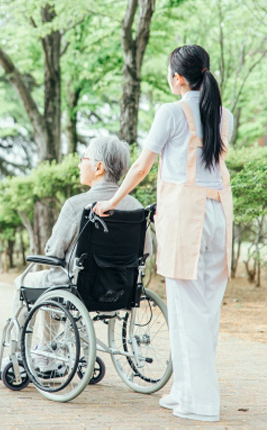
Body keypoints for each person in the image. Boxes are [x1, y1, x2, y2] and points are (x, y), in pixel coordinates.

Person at [93, 44, 233, 422]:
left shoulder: (170, 112)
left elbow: (140, 167)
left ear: (178, 78)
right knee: (204, 308)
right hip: (219, 214)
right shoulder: (225, 115)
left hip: (187, 216)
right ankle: (186, 389)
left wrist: (112, 201)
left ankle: (201, 403)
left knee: (188, 310)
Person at [0, 135, 149, 377]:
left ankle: (27, 354)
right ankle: (49, 352)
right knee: (55, 283)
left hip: (79, 287)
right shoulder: (135, 206)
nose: (79, 164)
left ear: (99, 167)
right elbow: (145, 252)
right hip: (122, 289)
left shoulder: (77, 205)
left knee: (27, 283)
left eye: (83, 158)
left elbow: (54, 252)